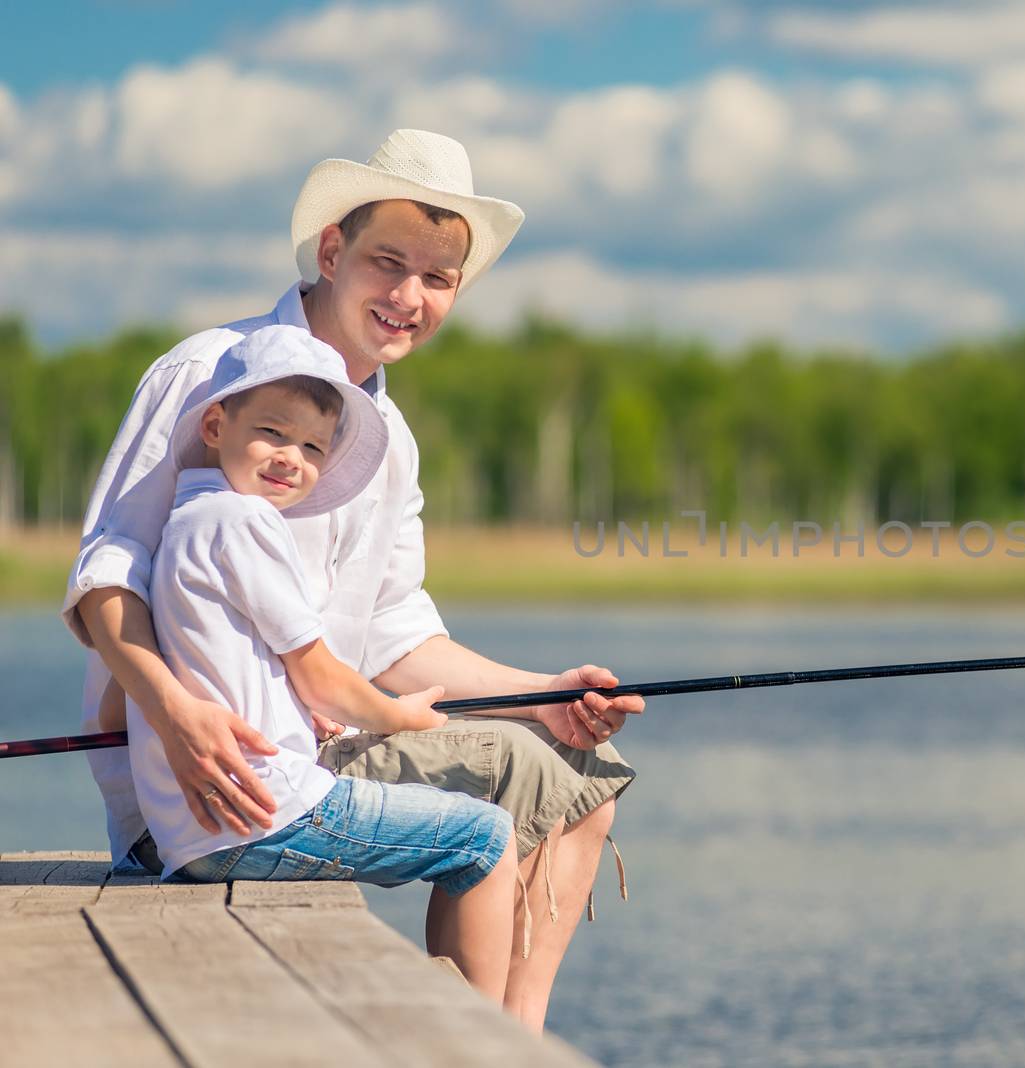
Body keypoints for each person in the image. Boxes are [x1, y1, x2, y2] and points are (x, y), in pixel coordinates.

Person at [62, 129, 641, 1033]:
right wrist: (174, 714)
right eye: (387, 262)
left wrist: (545, 695)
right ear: (332, 250)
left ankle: (517, 1037)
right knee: (524, 791)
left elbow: (397, 636)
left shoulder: (389, 442)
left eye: (438, 278)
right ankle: (487, 1044)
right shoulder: (206, 374)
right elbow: (105, 578)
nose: (409, 298)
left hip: (313, 752)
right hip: (200, 789)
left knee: (579, 760)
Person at [118, 324, 520, 1003]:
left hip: (190, 833)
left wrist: (304, 718)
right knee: (485, 836)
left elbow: (248, 670)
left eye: (311, 447)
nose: (290, 458)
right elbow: (319, 671)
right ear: (216, 423)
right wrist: (402, 716)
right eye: (273, 432)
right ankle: (489, 1039)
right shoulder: (244, 522)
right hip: (270, 816)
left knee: (464, 834)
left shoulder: (186, 521)